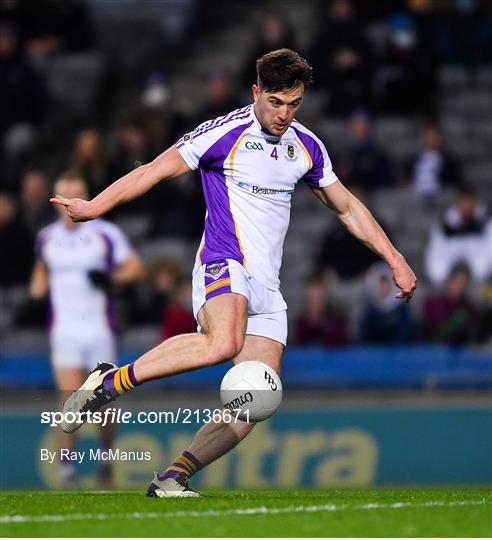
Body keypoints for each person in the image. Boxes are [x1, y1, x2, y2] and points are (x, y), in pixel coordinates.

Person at [51, 49, 416, 497]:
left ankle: (173, 477)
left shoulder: (307, 146)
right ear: (256, 92)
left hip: (267, 285)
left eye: (294, 104)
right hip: (223, 263)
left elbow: (347, 207)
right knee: (224, 342)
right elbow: (152, 171)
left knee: (257, 397)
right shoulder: (224, 133)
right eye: (276, 102)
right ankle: (110, 382)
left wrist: (395, 259)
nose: (284, 114)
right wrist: (94, 206)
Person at [31, 172, 143, 487]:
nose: (68, 200)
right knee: (69, 400)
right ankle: (67, 471)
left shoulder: (105, 233)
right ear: (55, 200)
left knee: (102, 402)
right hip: (64, 330)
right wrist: (36, 291)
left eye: (74, 193)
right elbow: (40, 276)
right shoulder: (46, 237)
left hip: (99, 329)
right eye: (62, 194)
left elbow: (135, 267)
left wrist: (112, 279)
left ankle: (106, 459)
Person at [425, 184, 492, 286]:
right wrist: (448, 277)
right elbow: (436, 255)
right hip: (450, 280)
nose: (467, 206)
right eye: (464, 201)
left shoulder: (486, 223)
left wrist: (473, 274)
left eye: (470, 201)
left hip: (478, 279)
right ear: (458, 202)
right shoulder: (444, 225)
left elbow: (488, 252)